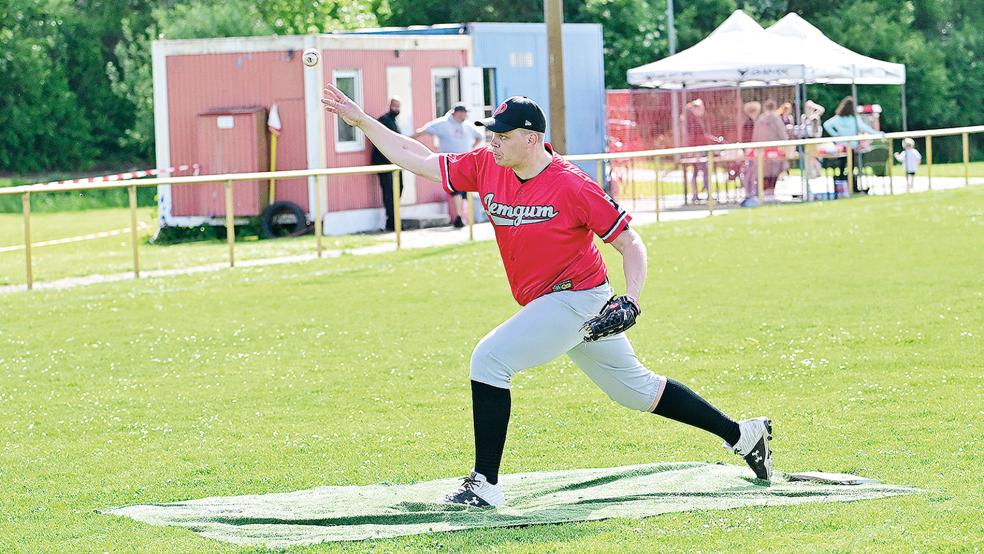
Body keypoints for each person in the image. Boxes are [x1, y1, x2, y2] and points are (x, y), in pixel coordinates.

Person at [321, 87, 775, 508]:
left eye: (502, 134)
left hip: (577, 297)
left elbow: (630, 243)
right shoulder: (486, 165)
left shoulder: (572, 184)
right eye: (491, 133)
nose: (492, 141)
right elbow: (417, 157)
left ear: (532, 138)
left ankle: (485, 484)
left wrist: (632, 299)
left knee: (490, 360)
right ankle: (743, 434)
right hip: (563, 304)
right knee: (637, 392)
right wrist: (361, 120)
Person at [413, 103, 484, 228]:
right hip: (449, 162)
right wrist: (407, 141)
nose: (466, 115)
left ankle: (460, 216)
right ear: (458, 113)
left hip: (465, 162)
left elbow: (480, 136)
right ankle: (458, 216)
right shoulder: (443, 124)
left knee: (463, 192)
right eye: (465, 112)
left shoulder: (467, 125)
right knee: (455, 189)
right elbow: (423, 130)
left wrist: (471, 150)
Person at [822, 96, 883, 194]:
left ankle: (846, 186)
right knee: (851, 168)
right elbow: (865, 128)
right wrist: (877, 133)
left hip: (842, 148)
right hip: (852, 148)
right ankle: (852, 186)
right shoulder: (854, 119)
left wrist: (836, 135)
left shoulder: (838, 119)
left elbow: (826, 125)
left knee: (843, 167)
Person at [371, 97, 404, 231]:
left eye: (398, 106)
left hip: (396, 164)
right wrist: (392, 159)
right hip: (386, 163)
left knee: (398, 189)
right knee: (389, 193)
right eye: (394, 106)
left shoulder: (394, 121)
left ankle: (394, 220)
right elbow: (383, 142)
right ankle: (393, 223)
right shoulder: (384, 120)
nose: (396, 109)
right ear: (390, 105)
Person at [684, 99, 722, 202]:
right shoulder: (692, 120)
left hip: (698, 148)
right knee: (704, 171)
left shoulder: (695, 119)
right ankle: (706, 193)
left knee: (698, 172)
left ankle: (696, 193)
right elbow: (697, 136)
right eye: (701, 108)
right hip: (698, 150)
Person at [751, 99, 790, 200]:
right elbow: (783, 135)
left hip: (762, 151)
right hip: (774, 150)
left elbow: (755, 136)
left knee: (764, 171)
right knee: (774, 170)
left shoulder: (760, 119)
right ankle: (771, 192)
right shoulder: (776, 119)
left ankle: (765, 192)